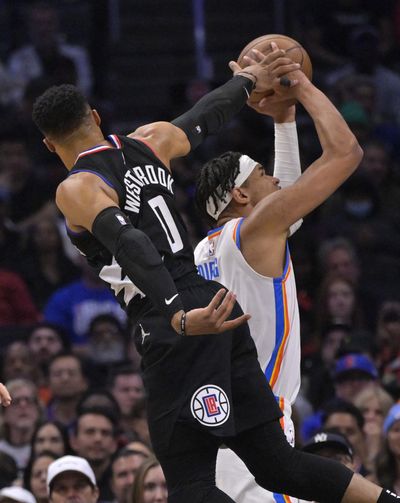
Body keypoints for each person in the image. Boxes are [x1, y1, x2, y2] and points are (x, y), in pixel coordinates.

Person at [31, 43, 399, 503]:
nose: (273, 181)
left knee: (190, 483)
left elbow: (132, 244)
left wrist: (175, 314)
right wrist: (248, 80)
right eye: (262, 174)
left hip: (170, 316)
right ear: (98, 117)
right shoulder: (151, 140)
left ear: (48, 144)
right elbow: (207, 114)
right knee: (280, 465)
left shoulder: (77, 187)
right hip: (211, 301)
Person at [194, 96, 303, 503]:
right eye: (261, 173)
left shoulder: (202, 250)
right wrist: (287, 117)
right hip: (259, 427)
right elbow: (295, 201)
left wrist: (284, 118)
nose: (273, 180)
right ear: (240, 195)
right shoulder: (247, 237)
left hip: (223, 425)